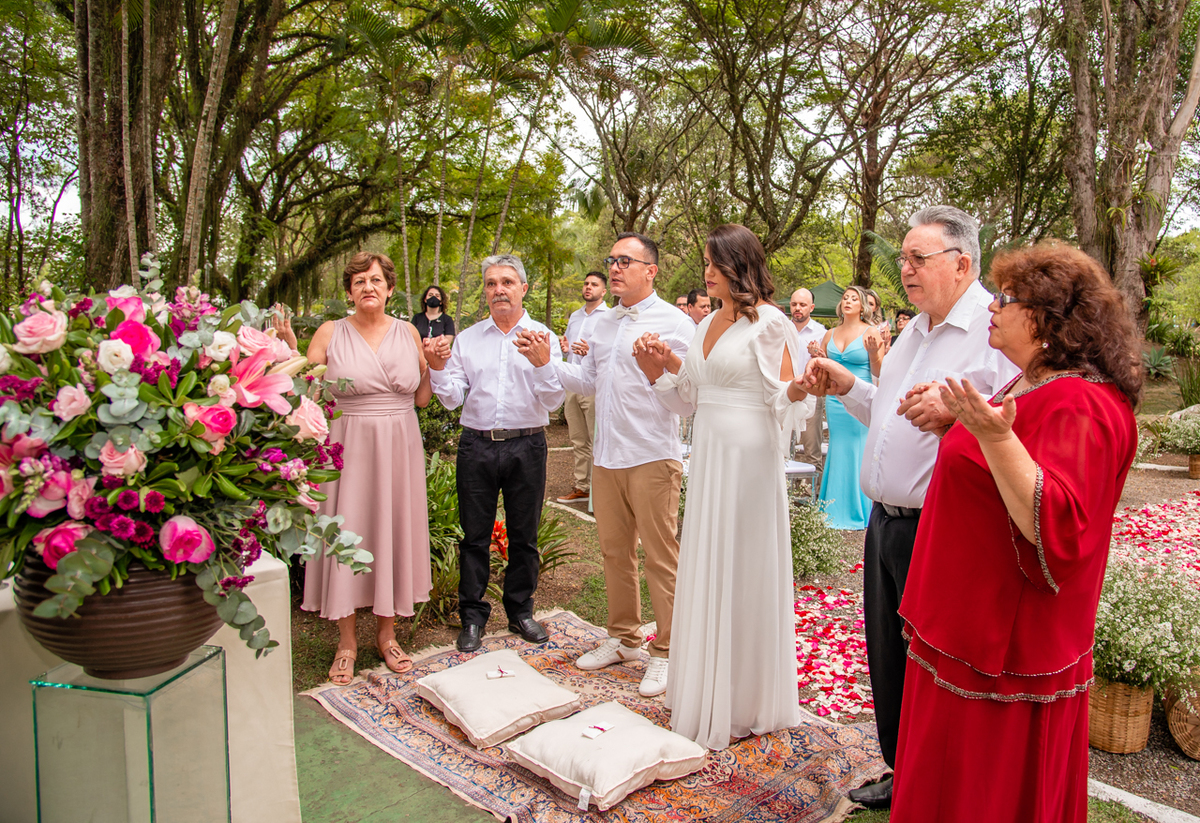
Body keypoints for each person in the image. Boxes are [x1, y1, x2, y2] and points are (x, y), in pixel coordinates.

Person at [890, 243, 1141, 822]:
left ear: (1048, 319)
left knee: (984, 791)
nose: (993, 308)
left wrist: (994, 438)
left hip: (1004, 649)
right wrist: (964, 424)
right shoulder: (1030, 382)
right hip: (965, 624)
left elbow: (1061, 528)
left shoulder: (1082, 403)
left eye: (1007, 299)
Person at [802, 205, 1019, 809]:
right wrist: (851, 389)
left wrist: (961, 418)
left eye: (918, 258)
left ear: (962, 263)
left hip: (943, 527)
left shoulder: (994, 334)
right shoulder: (913, 331)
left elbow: (1014, 425)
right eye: (902, 258)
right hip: (885, 523)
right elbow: (894, 416)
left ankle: (944, 782)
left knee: (938, 664)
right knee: (889, 656)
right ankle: (904, 773)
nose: (905, 269)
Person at [632, 224, 814, 750]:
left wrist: (800, 387)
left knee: (743, 567)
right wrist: (656, 368)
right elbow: (688, 397)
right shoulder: (705, 321)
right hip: (709, 455)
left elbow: (789, 402)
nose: (705, 272)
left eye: (713, 263)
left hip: (749, 460)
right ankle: (704, 686)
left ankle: (747, 697)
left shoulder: (772, 324)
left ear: (737, 266)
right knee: (708, 562)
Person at [515, 232, 695, 698]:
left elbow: (690, 398)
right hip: (607, 455)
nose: (614, 268)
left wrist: (664, 367)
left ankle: (668, 651)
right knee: (615, 553)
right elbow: (588, 382)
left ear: (650, 271)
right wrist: (543, 363)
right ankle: (624, 637)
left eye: (624, 261)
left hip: (653, 455)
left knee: (661, 558)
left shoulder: (676, 322)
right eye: (611, 260)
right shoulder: (600, 324)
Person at [299, 252, 433, 685]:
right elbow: (306, 389)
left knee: (390, 529)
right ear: (349, 292)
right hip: (346, 443)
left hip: (400, 441)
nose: (368, 287)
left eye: (375, 280)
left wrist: (434, 367)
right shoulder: (329, 332)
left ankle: (387, 634)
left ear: (390, 288)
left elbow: (422, 399)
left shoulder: (409, 331)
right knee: (348, 528)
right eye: (358, 282)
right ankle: (347, 642)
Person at [425, 255, 564, 653]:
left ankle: (520, 612)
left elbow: (553, 399)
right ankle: (472, 617)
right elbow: (452, 399)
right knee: (474, 536)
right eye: (490, 283)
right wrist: (437, 369)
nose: (498, 289)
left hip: (528, 443)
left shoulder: (543, 336)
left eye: (506, 282)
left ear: (524, 288)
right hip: (477, 445)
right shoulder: (467, 339)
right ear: (485, 291)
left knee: (525, 535)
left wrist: (541, 364)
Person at [815, 285, 877, 529]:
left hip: (861, 396)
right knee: (837, 445)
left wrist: (874, 353)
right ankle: (832, 508)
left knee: (857, 447)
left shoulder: (871, 332)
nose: (848, 301)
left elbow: (881, 370)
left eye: (854, 298)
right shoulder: (829, 333)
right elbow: (824, 366)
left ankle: (860, 509)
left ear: (862, 305)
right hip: (835, 399)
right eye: (845, 298)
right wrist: (817, 355)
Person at [557, 271, 609, 502]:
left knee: (596, 437)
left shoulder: (609, 317)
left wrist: (590, 353)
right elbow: (569, 347)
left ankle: (600, 492)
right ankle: (582, 486)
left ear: (604, 290)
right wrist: (566, 348)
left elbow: (609, 353)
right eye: (586, 283)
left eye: (594, 284)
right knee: (578, 438)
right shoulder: (575, 317)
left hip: (594, 384)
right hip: (572, 381)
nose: (588, 287)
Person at [790, 288, 826, 473]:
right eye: (794, 304)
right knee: (782, 449)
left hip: (811, 393)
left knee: (812, 450)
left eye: (802, 305)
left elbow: (829, 365)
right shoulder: (781, 329)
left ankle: (815, 499)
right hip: (785, 393)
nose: (798, 308)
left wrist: (820, 356)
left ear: (811, 307)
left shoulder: (821, 333)